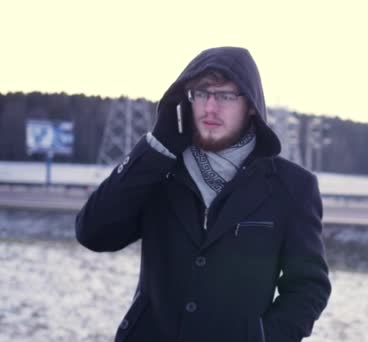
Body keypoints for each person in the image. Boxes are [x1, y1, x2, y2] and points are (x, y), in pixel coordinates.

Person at [75, 46, 331, 342]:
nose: (210, 107)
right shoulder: (161, 170)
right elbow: (93, 233)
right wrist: (156, 146)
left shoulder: (292, 187)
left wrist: (263, 338)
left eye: (224, 96)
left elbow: (309, 286)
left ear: (250, 105)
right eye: (201, 93)